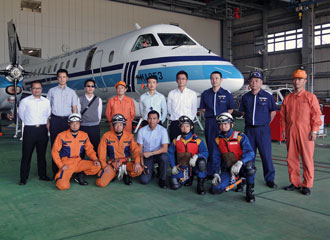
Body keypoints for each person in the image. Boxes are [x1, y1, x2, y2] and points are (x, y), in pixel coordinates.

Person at [280, 69, 322, 195]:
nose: (296, 81)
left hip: (306, 132)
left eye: (299, 79)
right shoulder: (288, 98)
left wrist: (314, 131)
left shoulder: (310, 97)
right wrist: (283, 130)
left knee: (307, 159)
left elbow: (316, 115)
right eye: (295, 79)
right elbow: (283, 116)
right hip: (291, 131)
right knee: (291, 158)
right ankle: (295, 182)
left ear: (305, 81)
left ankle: (307, 184)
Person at [239, 71, 278, 189]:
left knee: (266, 155)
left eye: (257, 80)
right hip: (249, 130)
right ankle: (246, 177)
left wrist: (265, 123)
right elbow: (243, 112)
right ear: (249, 83)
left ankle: (270, 179)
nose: (254, 83)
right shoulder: (245, 97)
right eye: (251, 81)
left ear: (261, 82)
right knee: (248, 155)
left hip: (263, 131)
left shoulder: (268, 96)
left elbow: (273, 112)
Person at [210, 113, 256, 203]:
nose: (223, 126)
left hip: (242, 167)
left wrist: (241, 162)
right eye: (221, 124)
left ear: (232, 124)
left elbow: (251, 153)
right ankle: (238, 180)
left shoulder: (240, 137)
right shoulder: (218, 140)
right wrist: (215, 173)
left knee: (250, 168)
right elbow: (216, 158)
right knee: (215, 189)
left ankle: (249, 191)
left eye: (226, 124)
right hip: (229, 169)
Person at [52, 113, 101, 190]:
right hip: (67, 163)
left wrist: (95, 159)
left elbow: (89, 149)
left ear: (80, 124)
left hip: (78, 162)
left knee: (97, 166)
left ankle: (79, 175)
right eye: (72, 123)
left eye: (77, 123)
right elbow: (54, 152)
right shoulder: (61, 136)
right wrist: (61, 165)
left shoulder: (84, 135)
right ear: (69, 124)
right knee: (63, 186)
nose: (75, 125)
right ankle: (62, 176)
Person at [200, 71, 234, 178]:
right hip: (210, 123)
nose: (214, 80)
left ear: (221, 80)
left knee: (224, 146)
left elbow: (230, 109)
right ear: (210, 80)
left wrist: (223, 120)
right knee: (211, 146)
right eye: (212, 78)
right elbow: (203, 109)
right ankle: (211, 171)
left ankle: (225, 170)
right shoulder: (205, 94)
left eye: (216, 78)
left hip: (222, 123)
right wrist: (211, 118)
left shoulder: (226, 93)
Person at [96, 114, 143, 188]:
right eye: (116, 125)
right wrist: (104, 166)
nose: (118, 127)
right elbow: (101, 152)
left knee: (139, 169)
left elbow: (136, 150)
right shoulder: (106, 136)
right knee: (100, 183)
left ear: (124, 126)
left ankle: (126, 174)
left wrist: (137, 162)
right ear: (113, 125)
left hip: (126, 162)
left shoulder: (129, 136)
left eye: (120, 125)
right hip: (113, 163)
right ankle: (114, 173)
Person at [18, 81, 51, 185]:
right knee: (26, 155)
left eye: (39, 88)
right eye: (35, 88)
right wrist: (30, 123)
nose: (37, 90)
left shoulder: (46, 101)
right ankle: (23, 178)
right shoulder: (25, 101)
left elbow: (47, 114)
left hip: (42, 130)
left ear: (42, 89)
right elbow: (21, 115)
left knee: (41, 155)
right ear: (31, 89)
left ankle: (43, 175)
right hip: (30, 130)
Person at [47, 69, 78, 177]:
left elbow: (74, 108)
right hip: (55, 120)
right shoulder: (52, 91)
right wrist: (48, 121)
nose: (62, 79)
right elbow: (48, 108)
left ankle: (69, 171)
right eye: (60, 77)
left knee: (68, 146)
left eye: (64, 77)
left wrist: (75, 123)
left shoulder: (72, 92)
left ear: (67, 78)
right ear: (57, 78)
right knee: (55, 146)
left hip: (67, 121)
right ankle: (56, 171)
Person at [168, 116, 208, 195]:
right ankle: (187, 178)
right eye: (182, 126)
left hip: (195, 166)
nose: (185, 128)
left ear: (191, 127)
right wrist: (173, 166)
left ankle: (200, 185)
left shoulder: (197, 140)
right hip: (183, 167)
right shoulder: (176, 140)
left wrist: (197, 156)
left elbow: (205, 152)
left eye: (187, 126)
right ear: (180, 128)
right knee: (174, 185)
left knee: (201, 162)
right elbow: (170, 153)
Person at [137, 110, 169, 188]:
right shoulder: (141, 131)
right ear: (147, 119)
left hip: (158, 154)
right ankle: (152, 172)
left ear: (158, 120)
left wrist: (151, 153)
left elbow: (165, 149)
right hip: (146, 156)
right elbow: (140, 149)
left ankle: (162, 179)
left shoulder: (163, 131)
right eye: (150, 118)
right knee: (144, 181)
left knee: (164, 158)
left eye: (154, 119)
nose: (152, 121)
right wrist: (141, 162)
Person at [167, 70, 197, 141]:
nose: (181, 81)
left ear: (186, 80)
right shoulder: (171, 93)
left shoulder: (192, 94)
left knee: (189, 144)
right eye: (179, 79)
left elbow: (194, 109)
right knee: (174, 144)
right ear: (177, 80)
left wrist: (189, 121)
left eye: (183, 79)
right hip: (175, 123)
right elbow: (169, 109)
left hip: (188, 123)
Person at [78, 79, 102, 155]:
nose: (90, 88)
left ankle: (96, 165)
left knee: (95, 147)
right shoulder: (80, 99)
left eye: (92, 86)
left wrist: (95, 122)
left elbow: (99, 113)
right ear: (85, 88)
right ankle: (80, 164)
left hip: (94, 127)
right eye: (88, 86)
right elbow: (78, 113)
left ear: (94, 88)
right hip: (83, 127)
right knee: (82, 148)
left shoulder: (98, 99)